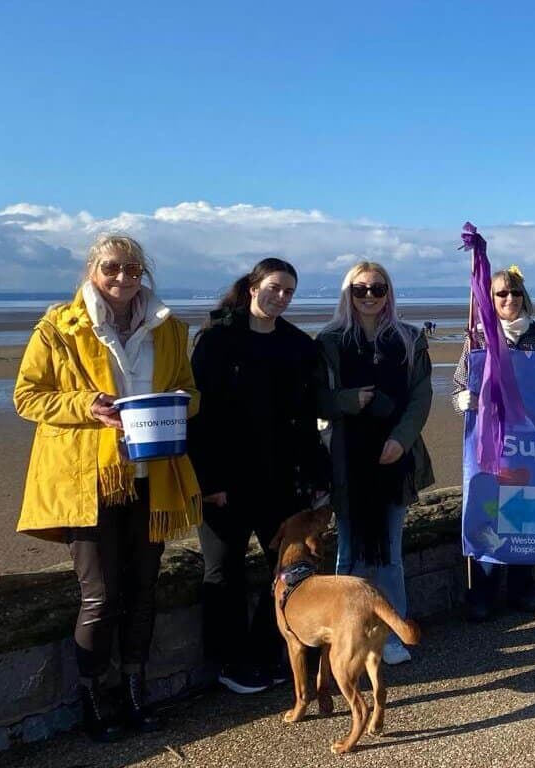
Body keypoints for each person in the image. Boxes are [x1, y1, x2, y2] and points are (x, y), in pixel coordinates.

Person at [13, 234, 201, 741]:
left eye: (133, 269)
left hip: (152, 475)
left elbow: (190, 390)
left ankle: (136, 693)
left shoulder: (169, 329)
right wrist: (85, 407)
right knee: (100, 595)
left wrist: (179, 403)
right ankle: (95, 700)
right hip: (86, 479)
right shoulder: (59, 327)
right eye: (112, 268)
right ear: (92, 270)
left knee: (143, 591)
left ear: (146, 273)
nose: (123, 278)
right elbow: (27, 396)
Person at [188, 258, 331, 694]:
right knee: (223, 573)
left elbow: (307, 423)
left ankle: (268, 654)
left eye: (289, 291)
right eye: (274, 288)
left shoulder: (298, 346)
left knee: (287, 574)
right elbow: (198, 417)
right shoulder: (216, 339)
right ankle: (230, 663)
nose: (281, 297)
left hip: (281, 483)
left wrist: (317, 477)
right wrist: (208, 482)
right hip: (224, 484)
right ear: (253, 287)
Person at [318, 262, 436, 663]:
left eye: (377, 288)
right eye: (360, 289)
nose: (369, 296)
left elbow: (421, 397)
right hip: (348, 460)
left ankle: (390, 633)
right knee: (349, 552)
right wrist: (349, 400)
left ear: (389, 292)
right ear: (347, 293)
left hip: (394, 460)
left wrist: (400, 441)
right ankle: (346, 637)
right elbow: (315, 398)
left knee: (389, 551)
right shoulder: (329, 341)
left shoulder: (409, 339)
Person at [452, 266, 535, 621]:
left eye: (515, 293)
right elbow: (457, 388)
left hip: (527, 439)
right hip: (489, 443)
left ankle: (523, 589)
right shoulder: (477, 338)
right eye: (501, 294)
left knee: (523, 514)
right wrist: (463, 399)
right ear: (489, 300)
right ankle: (483, 593)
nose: (509, 300)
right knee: (487, 514)